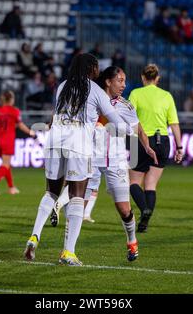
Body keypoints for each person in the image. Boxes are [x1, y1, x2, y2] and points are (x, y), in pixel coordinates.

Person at [23, 53, 133, 266]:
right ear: (91, 69)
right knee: (77, 196)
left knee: (51, 192)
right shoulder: (95, 90)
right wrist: (127, 129)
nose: (98, 71)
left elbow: (56, 115)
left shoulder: (63, 85)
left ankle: (34, 236)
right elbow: (115, 119)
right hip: (78, 143)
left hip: (55, 139)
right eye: (96, 67)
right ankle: (68, 252)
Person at [85, 66, 157, 261]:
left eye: (125, 81)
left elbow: (139, 129)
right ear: (108, 81)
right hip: (90, 158)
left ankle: (132, 241)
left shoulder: (125, 105)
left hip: (115, 161)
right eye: (120, 80)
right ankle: (68, 250)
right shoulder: (91, 100)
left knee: (124, 209)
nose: (124, 85)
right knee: (78, 204)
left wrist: (147, 147)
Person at [128, 64, 184, 233]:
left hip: (142, 139)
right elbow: (174, 123)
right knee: (151, 185)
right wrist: (179, 147)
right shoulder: (166, 96)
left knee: (133, 182)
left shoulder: (136, 93)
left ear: (143, 77)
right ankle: (145, 221)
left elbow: (130, 118)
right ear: (157, 78)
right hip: (163, 141)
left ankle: (144, 208)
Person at [0, 91, 36, 195]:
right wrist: (30, 132)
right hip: (8, 140)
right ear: (11, 99)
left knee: (6, 165)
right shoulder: (14, 111)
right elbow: (20, 125)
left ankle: (11, 187)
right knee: (5, 165)